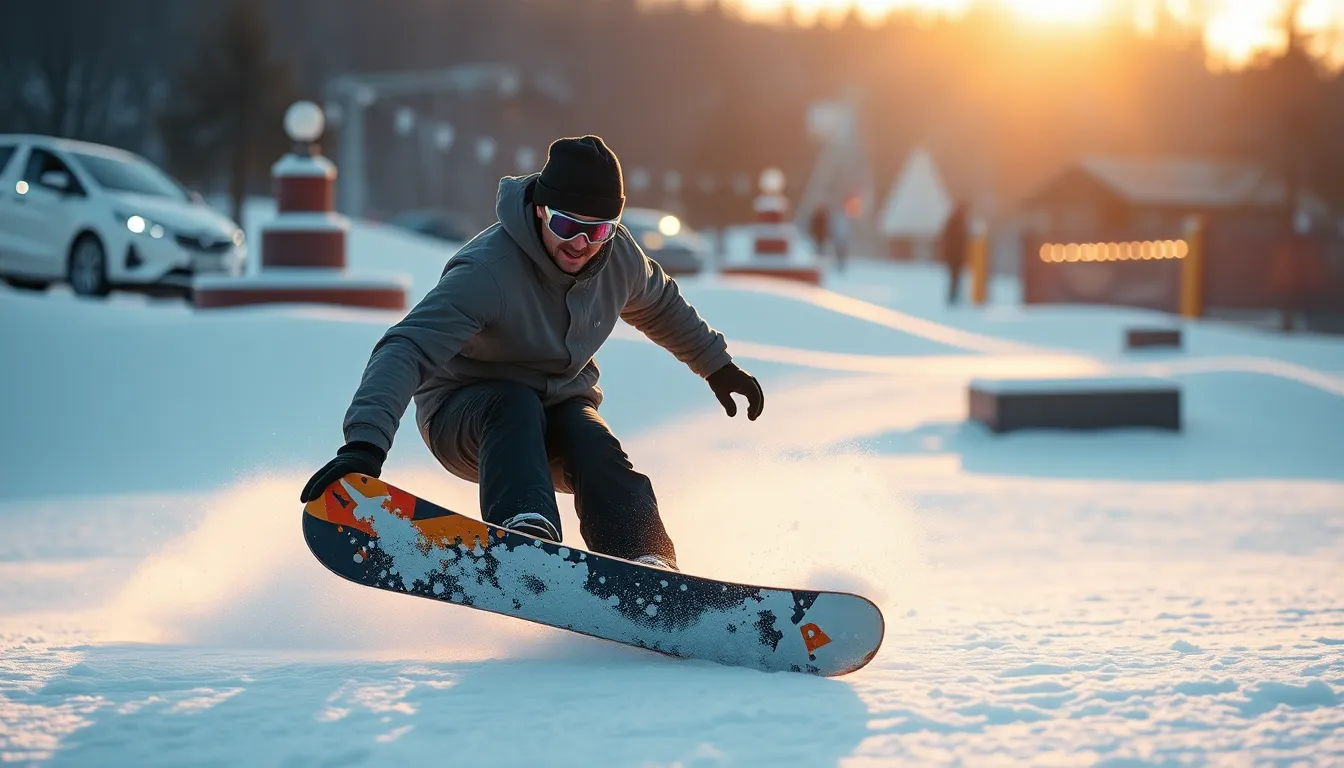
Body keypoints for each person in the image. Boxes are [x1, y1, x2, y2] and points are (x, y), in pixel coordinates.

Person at [299, 135, 764, 572]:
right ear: (541, 210)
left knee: (594, 444)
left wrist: (718, 367)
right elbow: (407, 348)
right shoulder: (488, 271)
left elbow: (661, 305)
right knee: (513, 405)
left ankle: (644, 563)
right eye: (566, 226)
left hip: (559, 406)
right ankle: (525, 531)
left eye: (598, 230)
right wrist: (364, 444)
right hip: (465, 415)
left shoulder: (618, 258)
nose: (581, 244)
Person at [940, 200, 968, 305]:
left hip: (954, 256)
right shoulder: (958, 222)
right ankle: (953, 297)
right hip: (955, 256)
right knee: (955, 277)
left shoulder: (954, 221)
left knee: (955, 277)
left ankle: (954, 296)